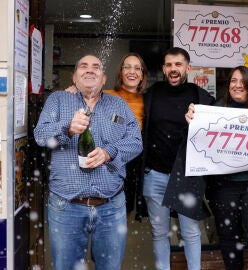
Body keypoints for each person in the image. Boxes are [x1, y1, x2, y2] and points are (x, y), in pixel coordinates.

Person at [34, 54, 143, 270]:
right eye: (83, 66)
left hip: (111, 205)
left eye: (96, 67)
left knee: (110, 267)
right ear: (74, 77)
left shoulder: (118, 105)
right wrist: (67, 127)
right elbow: (40, 135)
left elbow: (136, 141)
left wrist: (109, 153)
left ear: (103, 79)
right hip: (66, 205)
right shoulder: (58, 100)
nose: (90, 70)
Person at [186, 65, 248, 270]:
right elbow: (199, 141)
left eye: (242, 81)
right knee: (229, 238)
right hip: (225, 186)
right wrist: (193, 121)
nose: (237, 85)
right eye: (233, 81)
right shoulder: (216, 109)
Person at [140, 47, 215, 270]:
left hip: (187, 175)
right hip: (155, 174)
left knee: (190, 232)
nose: (174, 69)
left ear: (188, 68)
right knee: (159, 232)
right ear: (164, 68)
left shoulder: (202, 98)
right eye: (169, 65)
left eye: (178, 64)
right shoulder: (151, 95)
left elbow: (213, 135)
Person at [66, 52, 148, 217]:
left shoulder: (148, 99)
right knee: (116, 202)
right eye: (127, 67)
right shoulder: (106, 95)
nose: (132, 72)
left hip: (136, 157)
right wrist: (75, 88)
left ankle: (120, 230)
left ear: (142, 75)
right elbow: (85, 95)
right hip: (108, 156)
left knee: (131, 203)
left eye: (137, 68)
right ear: (121, 72)